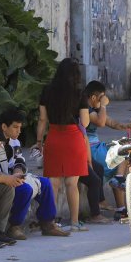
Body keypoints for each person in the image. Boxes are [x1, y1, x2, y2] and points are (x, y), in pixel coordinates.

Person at [34, 58, 90, 229]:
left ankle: (50, 222)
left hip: (54, 137)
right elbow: (85, 122)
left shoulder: (47, 91)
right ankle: (74, 223)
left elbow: (42, 119)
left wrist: (39, 141)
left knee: (53, 183)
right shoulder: (79, 93)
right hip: (74, 139)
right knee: (72, 183)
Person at [0, 109, 70, 239]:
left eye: (20, 127)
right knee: (25, 189)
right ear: (4, 127)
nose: (19, 131)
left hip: (12, 176)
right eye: (15, 127)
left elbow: (19, 160)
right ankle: (14, 226)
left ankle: (48, 223)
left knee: (45, 183)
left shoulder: (14, 142)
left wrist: (18, 172)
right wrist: (10, 178)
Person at [84, 81, 131, 219]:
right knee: (122, 153)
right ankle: (118, 180)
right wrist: (103, 106)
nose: (103, 101)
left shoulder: (95, 109)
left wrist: (128, 125)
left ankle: (121, 209)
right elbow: (100, 122)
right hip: (89, 149)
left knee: (120, 160)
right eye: (101, 98)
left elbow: (111, 122)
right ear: (94, 97)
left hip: (96, 146)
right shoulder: (86, 109)